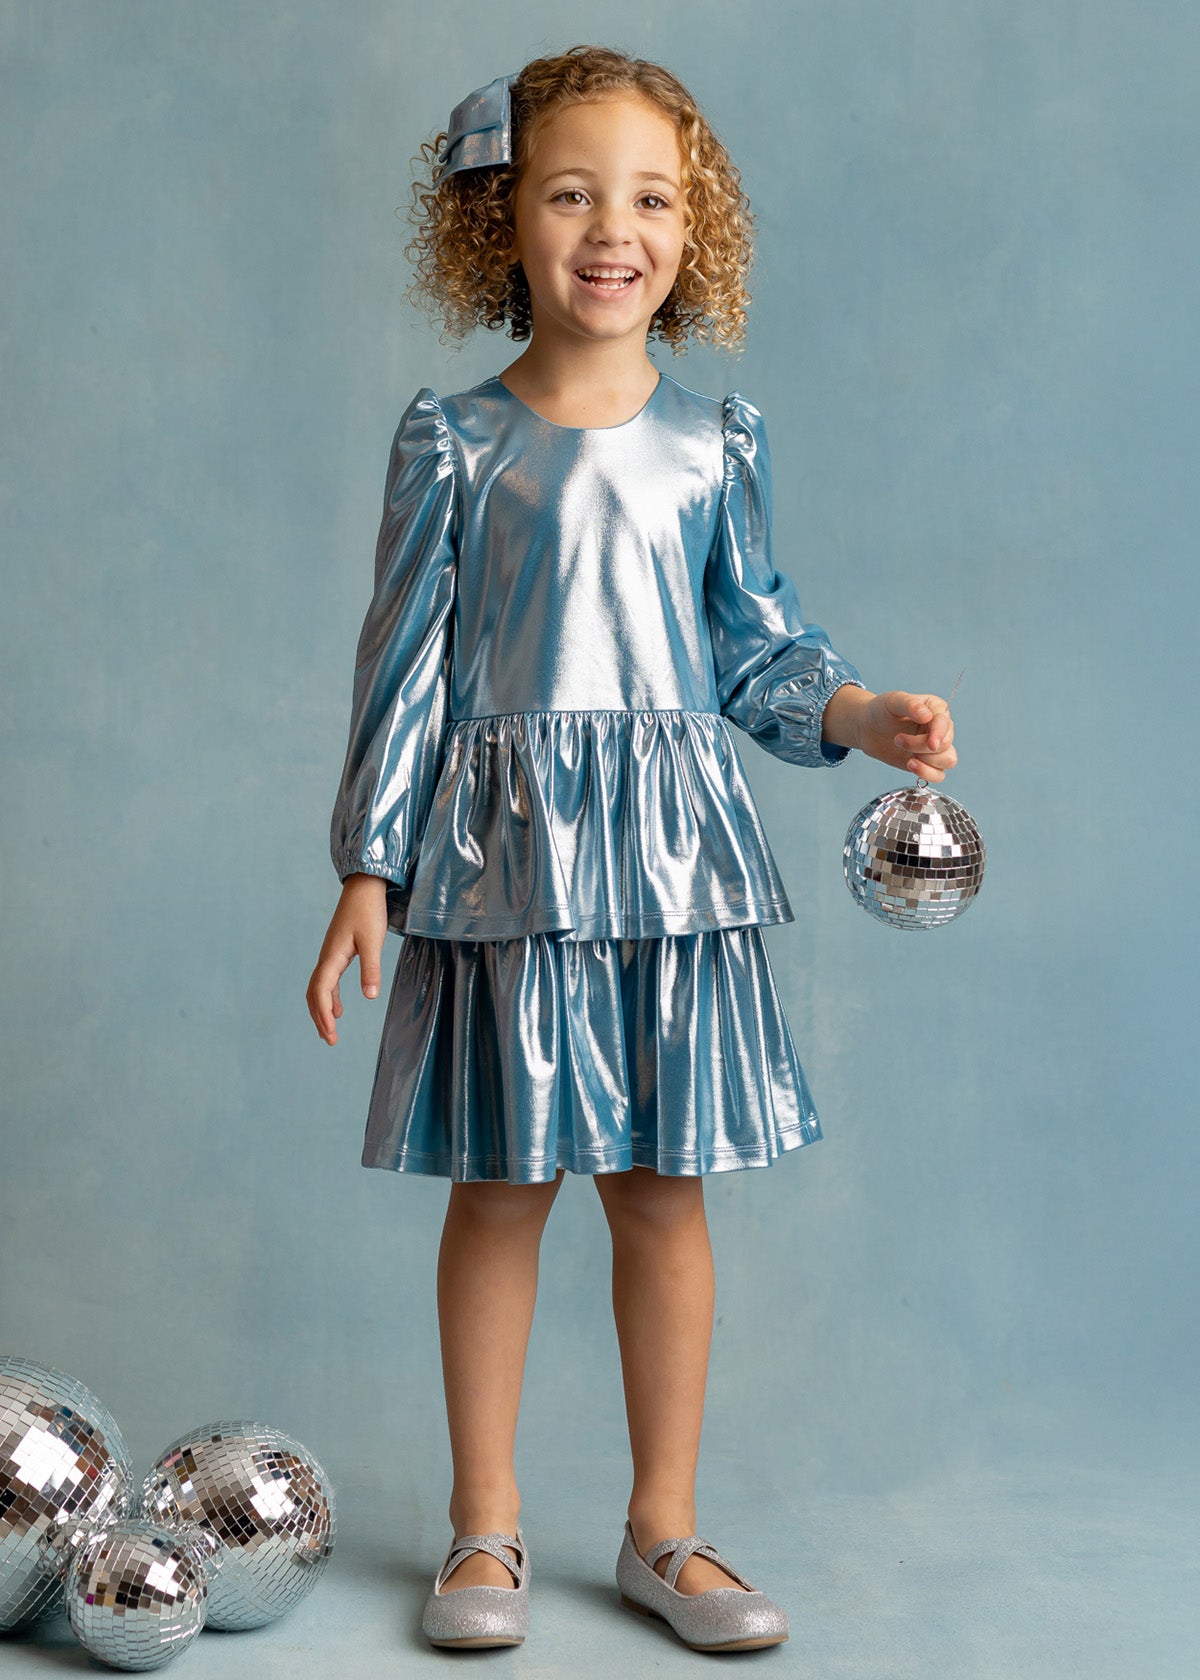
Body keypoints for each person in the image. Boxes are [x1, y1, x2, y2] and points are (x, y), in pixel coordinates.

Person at [306, 44, 957, 1654]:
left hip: (675, 872)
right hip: (502, 868)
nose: (614, 230)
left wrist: (860, 714)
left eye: (652, 200)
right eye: (571, 194)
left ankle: (665, 1527)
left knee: (664, 1196)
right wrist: (369, 872)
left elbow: (756, 648)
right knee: (500, 1189)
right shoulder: (455, 441)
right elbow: (404, 670)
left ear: (693, 228)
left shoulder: (716, 442)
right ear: (504, 220)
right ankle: (485, 1525)